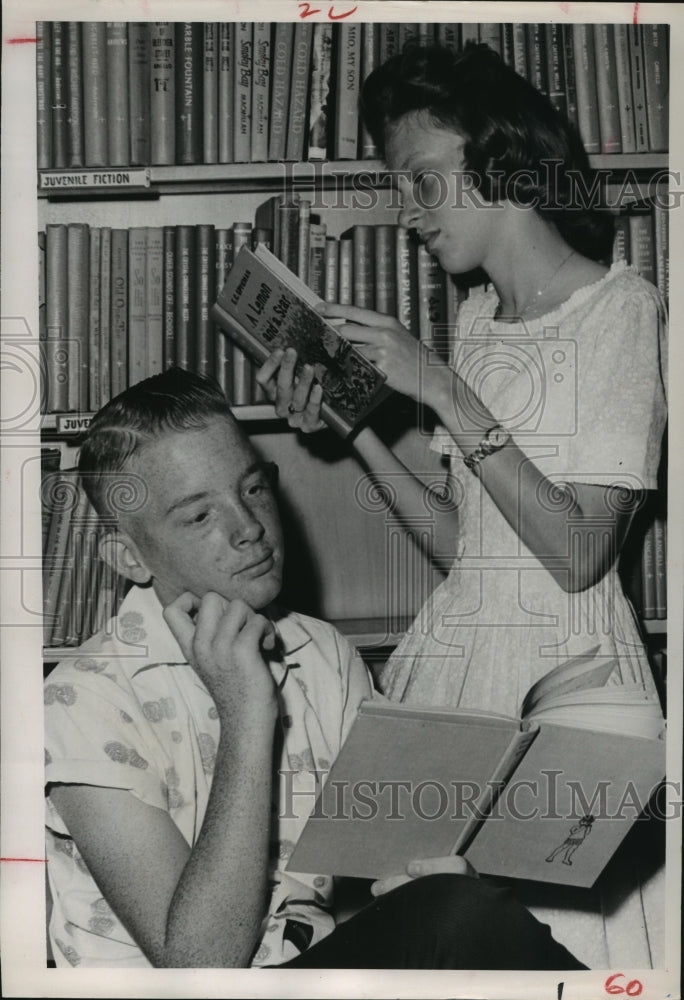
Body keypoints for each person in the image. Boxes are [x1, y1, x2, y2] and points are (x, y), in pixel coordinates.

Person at [256, 43, 668, 967]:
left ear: (504, 164)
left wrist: (444, 391)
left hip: (569, 690)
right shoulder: (476, 322)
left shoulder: (621, 310)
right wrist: (352, 424)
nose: (409, 215)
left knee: (549, 956)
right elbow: (467, 546)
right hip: (458, 677)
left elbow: (577, 553)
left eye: (423, 182)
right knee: (432, 948)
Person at [44, 367, 586, 970]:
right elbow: (199, 967)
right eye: (199, 516)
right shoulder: (80, 701)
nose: (248, 527)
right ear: (130, 557)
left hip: (307, 978)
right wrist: (248, 711)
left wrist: (423, 880)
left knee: (459, 906)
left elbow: (359, 885)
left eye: (253, 488)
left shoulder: (321, 651)